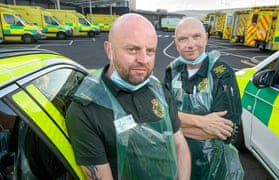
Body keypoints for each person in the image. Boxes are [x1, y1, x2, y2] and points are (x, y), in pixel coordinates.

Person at [65, 13, 191, 180]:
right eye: (132, 49)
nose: (143, 60)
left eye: (150, 51)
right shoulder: (86, 109)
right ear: (109, 49)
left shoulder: (159, 91)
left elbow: (179, 145)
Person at [164, 17, 244, 180]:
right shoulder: (172, 71)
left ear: (206, 38)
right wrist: (202, 122)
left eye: (196, 36)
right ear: (176, 43)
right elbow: (161, 114)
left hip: (211, 165)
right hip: (176, 159)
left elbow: (224, 132)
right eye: (183, 39)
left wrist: (169, 128)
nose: (190, 44)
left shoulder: (222, 74)